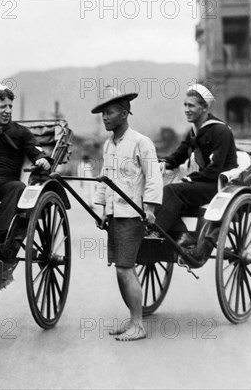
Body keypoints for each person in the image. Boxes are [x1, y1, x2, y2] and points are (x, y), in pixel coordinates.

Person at [92, 86, 163, 341]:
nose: (105, 118)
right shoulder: (108, 146)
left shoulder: (141, 143)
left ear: (124, 113)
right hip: (114, 215)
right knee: (120, 269)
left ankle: (138, 324)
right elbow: (105, 180)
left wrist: (150, 209)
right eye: (103, 114)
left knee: (125, 268)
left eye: (109, 113)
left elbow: (154, 178)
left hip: (132, 215)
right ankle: (133, 320)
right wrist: (101, 210)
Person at [155, 84, 238, 255]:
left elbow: (215, 170)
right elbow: (178, 155)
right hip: (205, 182)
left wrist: (191, 179)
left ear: (205, 108)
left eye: (191, 105)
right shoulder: (193, 131)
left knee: (172, 190)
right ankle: (177, 235)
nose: (186, 109)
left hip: (220, 185)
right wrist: (163, 163)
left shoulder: (220, 131)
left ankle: (158, 234)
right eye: (185, 105)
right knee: (160, 191)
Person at [0, 84, 50, 248]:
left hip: (8, 182)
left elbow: (35, 150)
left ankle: (0, 233)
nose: (8, 110)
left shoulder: (21, 132)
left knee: (19, 187)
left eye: (10, 106)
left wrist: (41, 159)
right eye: (3, 106)